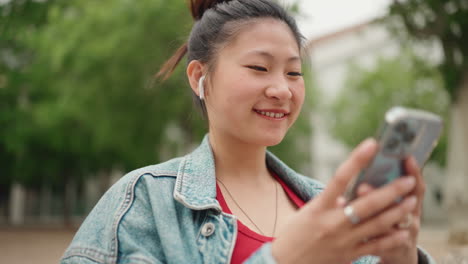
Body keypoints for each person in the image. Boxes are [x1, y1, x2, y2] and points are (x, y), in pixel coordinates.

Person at [61, 0, 436, 263]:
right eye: (259, 68)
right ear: (199, 76)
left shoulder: (329, 208)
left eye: (293, 72)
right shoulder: (143, 202)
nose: (282, 89)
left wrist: (400, 260)